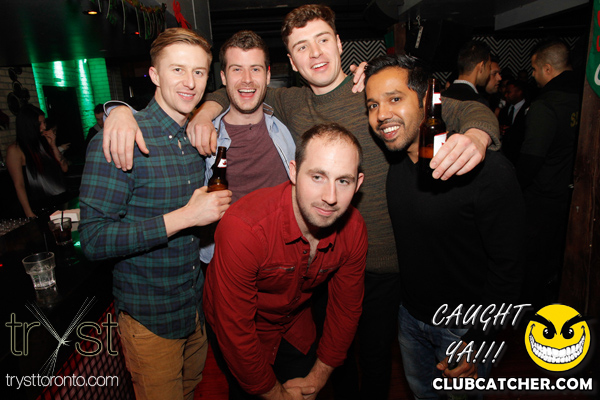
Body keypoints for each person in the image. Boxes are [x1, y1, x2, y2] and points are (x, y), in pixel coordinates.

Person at [100, 5, 498, 399]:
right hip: (316, 264)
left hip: (384, 262)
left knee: (377, 362)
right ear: (291, 61)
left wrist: (478, 136)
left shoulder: (371, 91)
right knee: (333, 362)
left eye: (322, 40)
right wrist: (141, 111)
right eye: (302, 47)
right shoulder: (290, 101)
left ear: (339, 44)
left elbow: (461, 107)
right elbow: (233, 88)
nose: (315, 53)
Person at [78, 28, 232, 400]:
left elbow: (232, 94)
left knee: (191, 389)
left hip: (193, 308)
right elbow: (93, 239)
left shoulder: (192, 136)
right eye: (177, 69)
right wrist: (187, 216)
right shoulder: (121, 138)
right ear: (154, 75)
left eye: (198, 72)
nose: (190, 82)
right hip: (150, 319)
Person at [364, 54, 525, 399]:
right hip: (409, 320)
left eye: (395, 99)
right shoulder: (395, 164)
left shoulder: (487, 171)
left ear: (426, 101)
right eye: (373, 104)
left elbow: (509, 267)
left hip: (464, 330)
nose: (381, 114)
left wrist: (479, 340)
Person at [203, 123, 368, 400]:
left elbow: (346, 310)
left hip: (294, 323)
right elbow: (235, 329)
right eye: (317, 177)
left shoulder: (353, 229)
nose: (330, 198)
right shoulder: (244, 229)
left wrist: (317, 379)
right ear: (293, 171)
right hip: (239, 329)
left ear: (358, 184)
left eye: (343, 181)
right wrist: (275, 395)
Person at [517, 39, 580, 308]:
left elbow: (531, 159)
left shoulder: (546, 104)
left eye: (534, 69)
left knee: (531, 262)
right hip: (571, 196)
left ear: (547, 69)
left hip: (541, 200)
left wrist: (513, 191)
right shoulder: (586, 96)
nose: (532, 75)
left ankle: (528, 315)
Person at [6, 104, 68, 218]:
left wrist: (53, 146)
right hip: (41, 206)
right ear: (29, 125)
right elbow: (19, 185)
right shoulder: (15, 150)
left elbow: (64, 168)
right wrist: (29, 213)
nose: (44, 126)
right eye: (40, 123)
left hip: (61, 200)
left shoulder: (44, 142)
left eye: (44, 122)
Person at [443, 40, 492, 104]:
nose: (489, 72)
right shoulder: (478, 103)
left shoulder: (442, 97)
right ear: (481, 66)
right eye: (489, 66)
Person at [499, 79, 529, 165]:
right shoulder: (504, 110)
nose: (506, 95)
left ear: (519, 92)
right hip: (505, 156)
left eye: (509, 92)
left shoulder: (529, 110)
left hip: (521, 155)